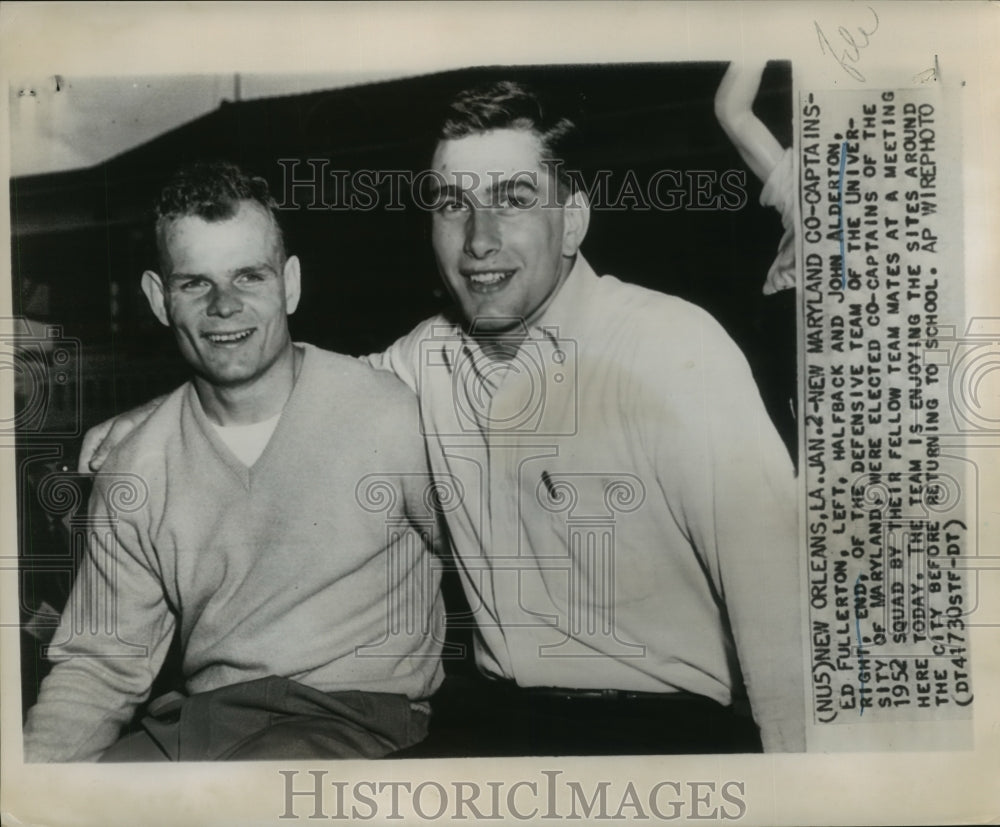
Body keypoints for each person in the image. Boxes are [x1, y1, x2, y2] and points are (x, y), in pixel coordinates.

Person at [79, 81, 805, 753]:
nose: (479, 238)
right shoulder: (426, 362)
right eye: (454, 203)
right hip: (500, 726)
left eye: (513, 198)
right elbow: (285, 383)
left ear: (572, 221)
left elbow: (780, 606)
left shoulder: (671, 348)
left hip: (665, 733)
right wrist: (152, 415)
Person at [24, 161, 445, 762]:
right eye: (195, 283)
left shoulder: (390, 415)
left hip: (353, 718)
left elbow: (490, 560)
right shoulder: (135, 467)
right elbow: (100, 666)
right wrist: (34, 785)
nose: (224, 305)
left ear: (289, 284)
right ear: (159, 299)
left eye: (249, 276)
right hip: (202, 724)